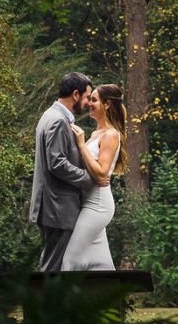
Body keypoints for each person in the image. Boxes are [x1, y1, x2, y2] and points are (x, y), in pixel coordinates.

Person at [29, 72, 94, 272]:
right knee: (53, 268)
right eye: (87, 97)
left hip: (52, 206)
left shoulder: (50, 115)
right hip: (57, 207)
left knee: (53, 265)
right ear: (75, 94)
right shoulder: (58, 120)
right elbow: (56, 163)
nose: (88, 103)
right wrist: (87, 178)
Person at [61, 83, 127, 271]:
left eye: (94, 100)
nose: (89, 103)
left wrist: (81, 145)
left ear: (107, 104)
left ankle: (64, 291)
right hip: (88, 201)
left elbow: (101, 173)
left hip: (97, 205)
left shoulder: (111, 135)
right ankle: (111, 290)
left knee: (70, 261)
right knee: (101, 266)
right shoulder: (96, 134)